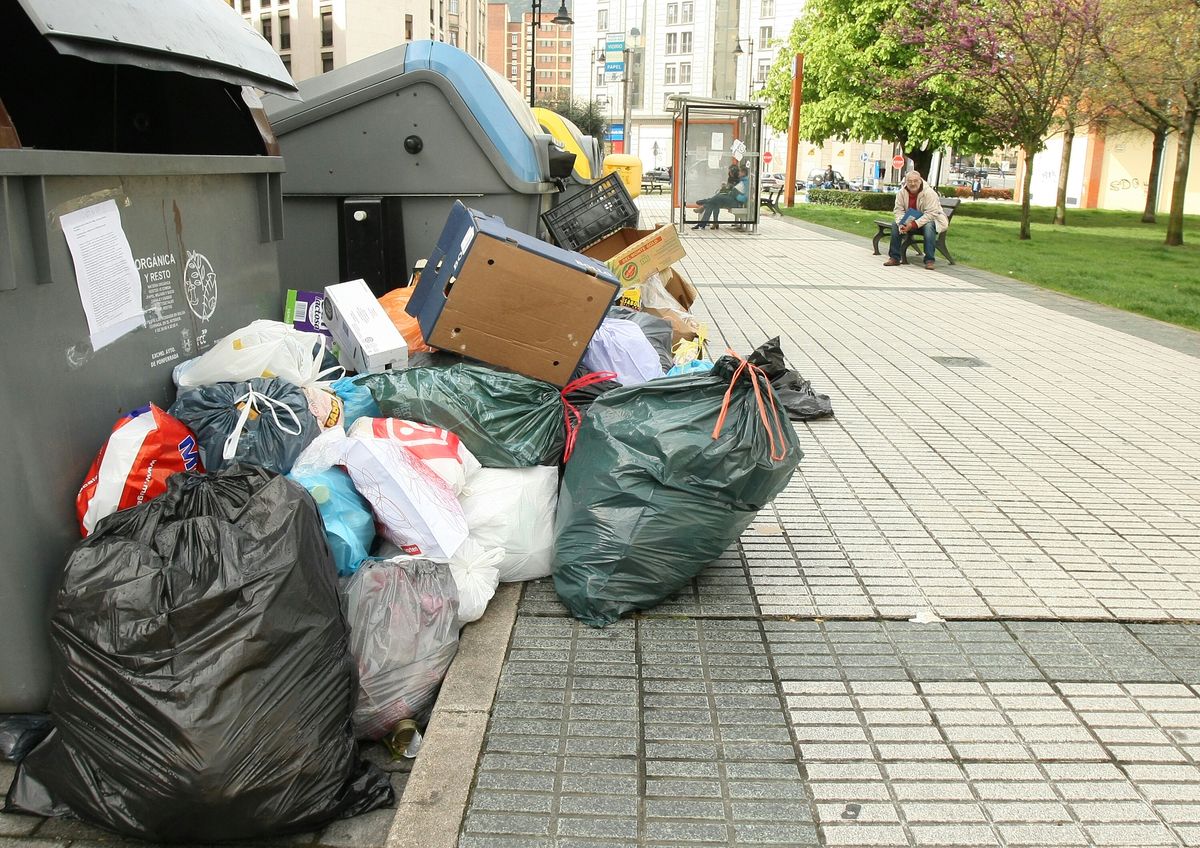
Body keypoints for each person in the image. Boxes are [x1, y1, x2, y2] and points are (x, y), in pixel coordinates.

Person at [884, 170, 948, 270]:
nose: (912, 183)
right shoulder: (901, 193)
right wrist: (901, 223)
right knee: (895, 225)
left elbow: (931, 214)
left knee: (929, 226)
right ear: (905, 181)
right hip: (911, 221)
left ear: (920, 180)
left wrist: (913, 225)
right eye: (909, 181)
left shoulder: (929, 193)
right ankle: (894, 258)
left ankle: (929, 260)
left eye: (915, 181)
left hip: (932, 221)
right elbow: (898, 210)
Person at [691, 164, 749, 230]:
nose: (738, 173)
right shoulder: (741, 180)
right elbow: (733, 190)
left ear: (743, 173)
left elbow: (744, 197)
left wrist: (734, 194)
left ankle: (704, 205)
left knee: (717, 198)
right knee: (713, 203)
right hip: (731, 199)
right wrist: (730, 190)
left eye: (740, 171)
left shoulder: (745, 182)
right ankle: (702, 224)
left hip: (736, 202)